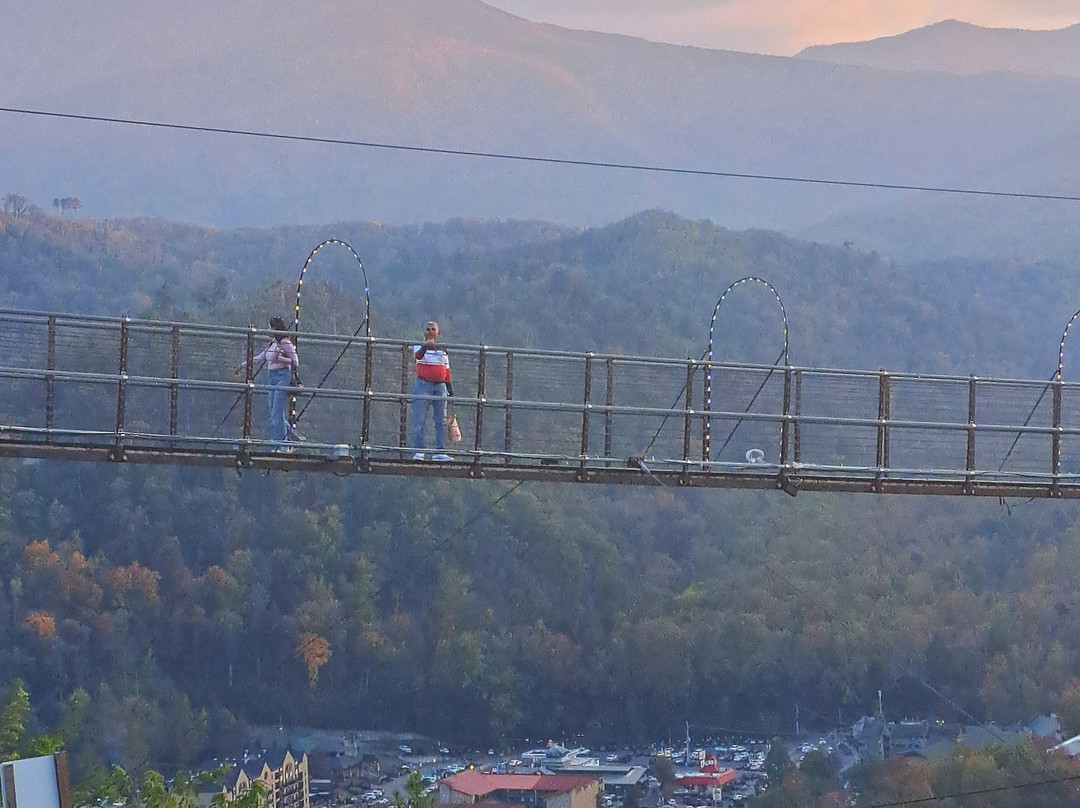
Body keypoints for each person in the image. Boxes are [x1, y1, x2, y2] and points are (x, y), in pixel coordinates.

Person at [237, 316, 299, 452]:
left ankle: (282, 446)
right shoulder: (273, 344)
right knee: (274, 412)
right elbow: (261, 357)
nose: (268, 330)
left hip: (282, 376)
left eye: (270, 327)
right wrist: (244, 365)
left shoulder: (285, 343)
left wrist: (280, 358)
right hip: (272, 378)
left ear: (275, 328)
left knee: (277, 413)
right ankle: (291, 438)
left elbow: (294, 361)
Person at [411, 321, 453, 461]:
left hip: (440, 386)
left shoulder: (443, 349)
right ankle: (419, 451)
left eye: (433, 329)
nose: (430, 331)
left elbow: (446, 370)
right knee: (419, 419)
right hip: (424, 384)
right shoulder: (419, 346)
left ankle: (439, 451)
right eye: (428, 329)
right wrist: (426, 346)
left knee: (441, 420)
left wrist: (449, 389)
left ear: (437, 332)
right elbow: (418, 357)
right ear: (424, 332)